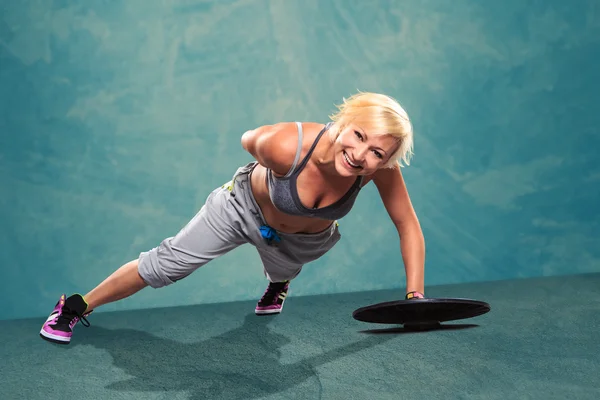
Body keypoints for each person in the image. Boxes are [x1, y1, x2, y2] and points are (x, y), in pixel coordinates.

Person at [39, 91, 426, 345]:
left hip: (303, 240)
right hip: (241, 209)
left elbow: (407, 224)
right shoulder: (284, 145)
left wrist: (415, 296)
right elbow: (247, 138)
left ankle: (278, 284)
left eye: (377, 152)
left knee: (285, 265)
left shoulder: (379, 170)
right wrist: (268, 162)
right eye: (358, 135)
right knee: (165, 265)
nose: (361, 155)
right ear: (342, 121)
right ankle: (74, 306)